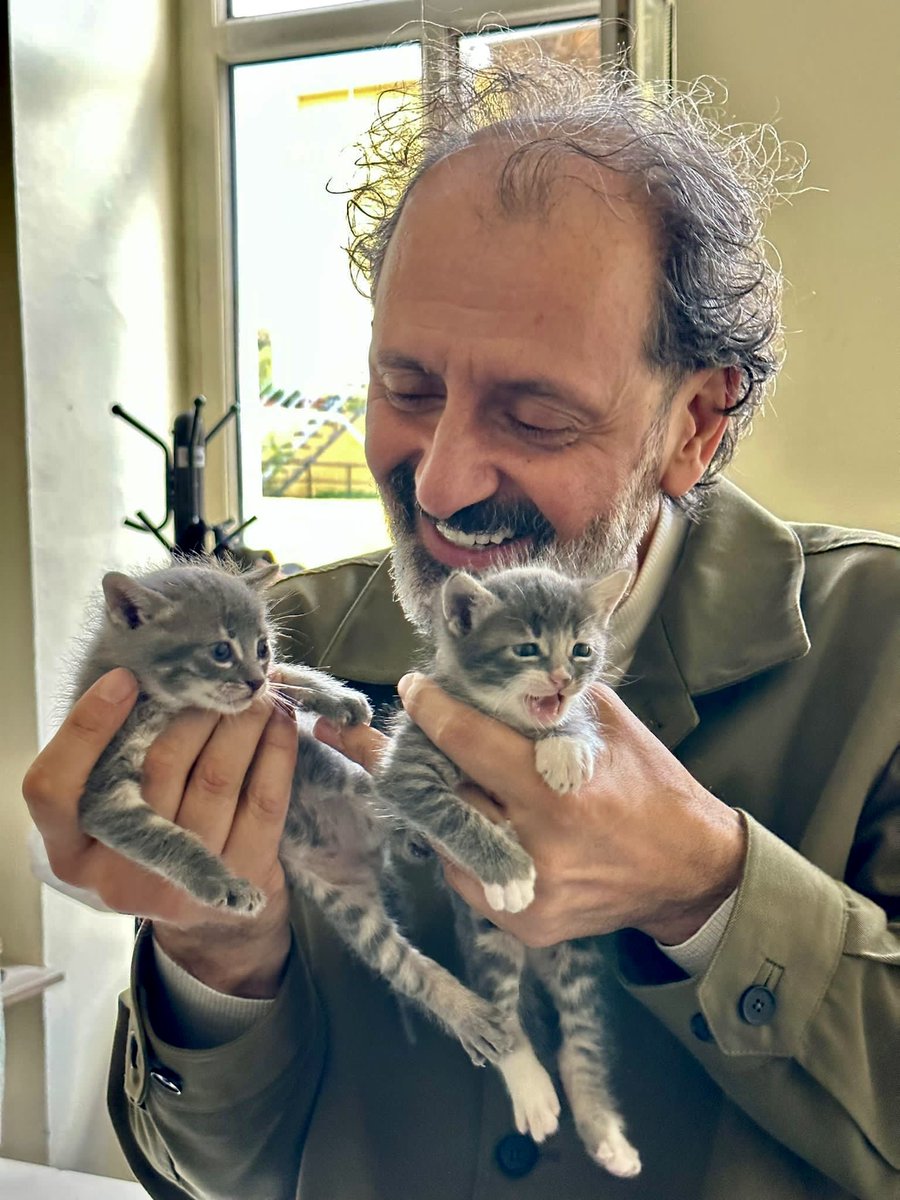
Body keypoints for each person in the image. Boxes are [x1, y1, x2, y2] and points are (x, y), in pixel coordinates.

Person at [23, 59, 899, 1200]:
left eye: (533, 414)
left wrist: (710, 891)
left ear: (694, 421)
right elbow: (209, 1173)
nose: (437, 487)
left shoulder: (879, 657)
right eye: (409, 388)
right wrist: (216, 962)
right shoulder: (285, 653)